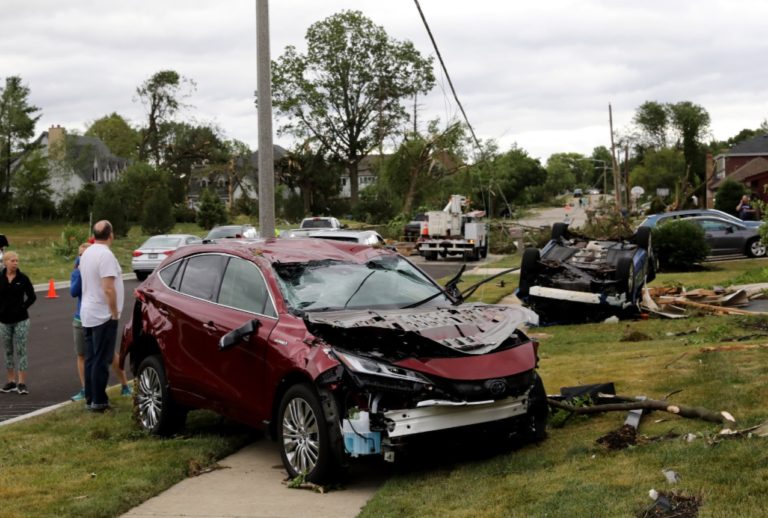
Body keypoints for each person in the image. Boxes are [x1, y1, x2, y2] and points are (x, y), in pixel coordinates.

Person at [69, 242, 131, 402]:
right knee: (84, 355)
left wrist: (113, 312)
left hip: (100, 317)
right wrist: (80, 274)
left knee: (108, 355)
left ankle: (124, 384)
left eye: (84, 255)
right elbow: (73, 292)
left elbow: (108, 287)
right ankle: (86, 389)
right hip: (81, 317)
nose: (82, 258)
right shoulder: (77, 273)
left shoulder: (100, 268)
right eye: (79, 255)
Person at [80, 221, 124, 412]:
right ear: (111, 235)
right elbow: (108, 288)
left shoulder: (88, 252)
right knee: (101, 359)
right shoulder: (105, 255)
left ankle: (90, 398)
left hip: (88, 311)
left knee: (91, 358)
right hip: (102, 314)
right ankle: (99, 401)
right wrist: (113, 313)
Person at [0, 251, 36, 395]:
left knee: (21, 350)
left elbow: (32, 297)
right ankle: (11, 382)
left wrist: (22, 307)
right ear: (5, 262)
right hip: (3, 322)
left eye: (17, 261)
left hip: (21, 320)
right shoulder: (0, 278)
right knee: (8, 351)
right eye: (12, 261)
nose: (15, 263)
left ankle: (21, 383)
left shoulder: (23, 278)